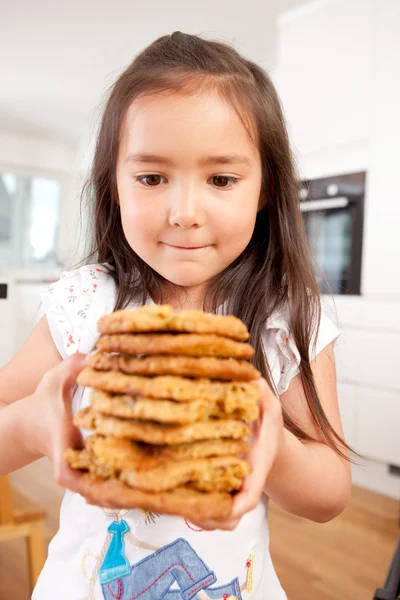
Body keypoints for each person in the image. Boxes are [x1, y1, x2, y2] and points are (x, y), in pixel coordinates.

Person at [0, 31, 352, 600]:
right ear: (113, 186)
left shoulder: (285, 321)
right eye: (151, 177)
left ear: (265, 189)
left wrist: (273, 447)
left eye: (221, 179)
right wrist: (29, 427)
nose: (184, 212)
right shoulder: (85, 305)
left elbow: (331, 493)